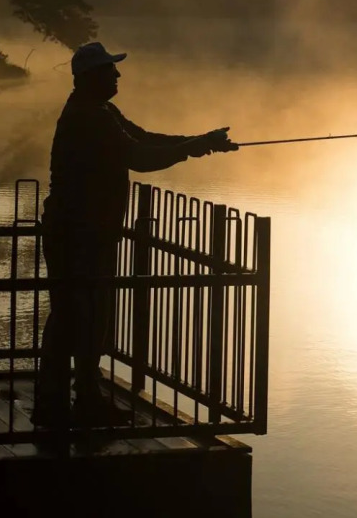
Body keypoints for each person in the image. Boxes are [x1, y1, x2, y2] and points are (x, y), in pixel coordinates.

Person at [34, 41, 237, 428]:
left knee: (71, 315)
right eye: (111, 70)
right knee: (84, 317)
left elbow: (143, 138)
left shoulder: (100, 111)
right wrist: (194, 148)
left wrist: (200, 141)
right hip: (79, 233)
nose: (118, 75)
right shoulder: (89, 117)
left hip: (81, 229)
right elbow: (138, 158)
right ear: (91, 77)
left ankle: (58, 398)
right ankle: (79, 400)